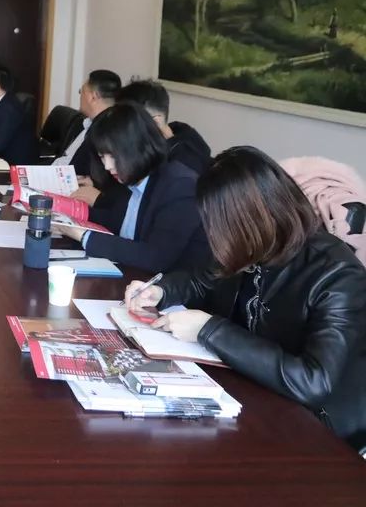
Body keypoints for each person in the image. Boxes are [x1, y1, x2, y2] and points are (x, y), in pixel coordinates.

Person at [126, 146, 366, 453]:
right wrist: (161, 291)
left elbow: (313, 381)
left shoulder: (338, 275)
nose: (213, 237)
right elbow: (201, 279)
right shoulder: (253, 244)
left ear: (248, 220)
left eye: (218, 226)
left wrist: (208, 329)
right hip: (250, 392)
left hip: (317, 429)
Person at [52, 102, 212, 275]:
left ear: (137, 147)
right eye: (102, 156)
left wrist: (82, 235)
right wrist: (67, 219)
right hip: (133, 276)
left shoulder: (180, 185)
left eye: (113, 156)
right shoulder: (133, 177)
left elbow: (155, 257)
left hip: (168, 285)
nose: (107, 166)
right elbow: (117, 222)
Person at [115, 79, 211, 175]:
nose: (120, 129)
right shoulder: (174, 136)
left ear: (155, 122)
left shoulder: (179, 166)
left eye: (126, 123)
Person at [53, 69, 120, 176]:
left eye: (81, 91)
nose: (80, 95)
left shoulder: (105, 132)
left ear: (93, 96)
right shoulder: (83, 123)